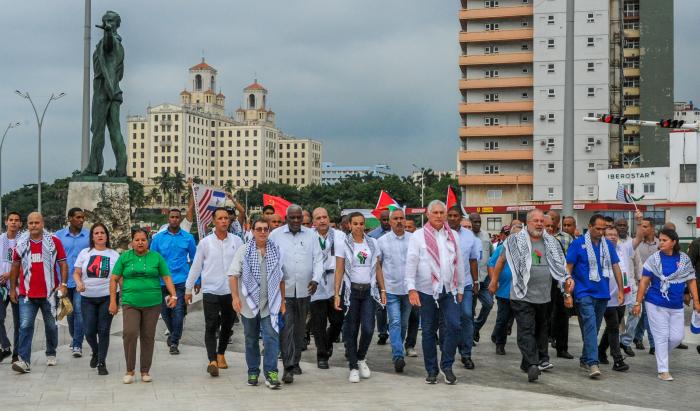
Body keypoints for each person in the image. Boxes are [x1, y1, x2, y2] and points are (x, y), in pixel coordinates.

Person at [490, 209, 572, 382]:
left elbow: (560, 266)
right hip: (521, 294)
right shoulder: (514, 241)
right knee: (526, 328)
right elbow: (501, 261)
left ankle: (526, 362)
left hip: (544, 295)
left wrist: (566, 286)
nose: (539, 224)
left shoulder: (551, 242)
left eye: (542, 221)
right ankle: (534, 364)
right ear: (527, 222)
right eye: (536, 220)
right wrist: (494, 280)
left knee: (540, 329)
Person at [405, 200, 465, 385]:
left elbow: (459, 263)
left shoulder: (453, 235)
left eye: (442, 212)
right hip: (426, 291)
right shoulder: (418, 236)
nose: (439, 216)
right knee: (429, 330)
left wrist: (461, 287)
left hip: (449, 289)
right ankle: (432, 370)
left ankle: (447, 366)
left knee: (454, 326)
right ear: (428, 215)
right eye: (435, 213)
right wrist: (411, 288)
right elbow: (411, 263)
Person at [109, 228, 178, 384]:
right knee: (130, 333)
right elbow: (114, 279)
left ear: (148, 242)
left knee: (148, 336)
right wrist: (113, 301)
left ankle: (145, 370)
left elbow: (166, 277)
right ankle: (129, 370)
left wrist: (173, 295)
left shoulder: (156, 257)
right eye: (137, 240)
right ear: (132, 242)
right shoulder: (124, 257)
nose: (140, 242)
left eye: (143, 240)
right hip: (130, 302)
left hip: (152, 303)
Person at [632, 228, 700, 381]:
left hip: (676, 305)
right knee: (661, 336)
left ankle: (660, 353)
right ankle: (663, 370)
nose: (661, 243)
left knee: (677, 337)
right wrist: (637, 302)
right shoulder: (654, 259)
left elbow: (691, 280)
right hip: (655, 303)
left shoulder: (683, 259)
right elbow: (644, 281)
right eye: (660, 240)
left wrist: (696, 300)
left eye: (664, 240)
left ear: (673, 242)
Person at [185, 208, 243, 377]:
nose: (224, 221)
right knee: (211, 325)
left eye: (226, 218)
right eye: (220, 218)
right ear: (213, 220)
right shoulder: (205, 242)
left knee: (227, 325)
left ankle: (221, 353)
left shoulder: (237, 241)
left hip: (230, 291)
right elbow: (196, 266)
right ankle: (212, 360)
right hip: (210, 290)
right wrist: (188, 289)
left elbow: (242, 266)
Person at [268, 204, 323, 384]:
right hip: (284, 292)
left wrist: (316, 279)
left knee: (300, 330)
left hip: (305, 290)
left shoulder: (311, 235)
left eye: (299, 217)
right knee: (287, 329)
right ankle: (288, 367)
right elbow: (269, 260)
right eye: (293, 218)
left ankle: (295, 361)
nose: (296, 221)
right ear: (287, 218)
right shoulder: (275, 235)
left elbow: (318, 259)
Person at [229, 217, 286, 389]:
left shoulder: (276, 250)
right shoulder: (244, 250)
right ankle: (253, 371)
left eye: (265, 229)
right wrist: (235, 297)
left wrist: (282, 301)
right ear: (252, 231)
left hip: (270, 303)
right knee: (251, 339)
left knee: (271, 338)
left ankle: (271, 373)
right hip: (248, 305)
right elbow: (233, 275)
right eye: (259, 229)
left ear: (269, 231)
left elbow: (282, 278)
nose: (262, 232)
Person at [566, 214, 625, 379]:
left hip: (602, 293)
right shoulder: (578, 244)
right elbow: (568, 269)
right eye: (598, 229)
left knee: (594, 327)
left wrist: (620, 290)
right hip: (583, 293)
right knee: (591, 326)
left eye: (603, 229)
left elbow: (615, 267)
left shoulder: (607, 245)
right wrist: (567, 292)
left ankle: (585, 358)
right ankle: (593, 362)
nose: (601, 232)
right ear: (590, 227)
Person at [9, 212, 68, 373]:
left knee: (51, 326)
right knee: (25, 326)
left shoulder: (54, 241)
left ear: (42, 224)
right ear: (27, 225)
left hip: (49, 294)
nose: (33, 225)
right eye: (30, 223)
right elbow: (15, 266)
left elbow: (63, 264)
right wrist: (13, 288)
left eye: (36, 223)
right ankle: (24, 361)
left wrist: (63, 284)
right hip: (27, 294)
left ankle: (51, 352)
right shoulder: (21, 243)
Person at [333, 212, 387, 383]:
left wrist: (383, 289)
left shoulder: (372, 243)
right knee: (351, 329)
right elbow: (339, 269)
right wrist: (336, 293)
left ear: (365, 225)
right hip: (351, 292)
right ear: (349, 225)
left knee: (369, 328)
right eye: (355, 223)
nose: (358, 226)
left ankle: (361, 357)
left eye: (361, 223)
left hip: (369, 291)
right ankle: (353, 366)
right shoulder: (343, 244)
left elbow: (377, 268)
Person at [72, 223, 120, 375]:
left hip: (108, 296)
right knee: (89, 331)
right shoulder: (85, 253)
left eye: (102, 233)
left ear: (107, 236)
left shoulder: (114, 255)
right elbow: (76, 273)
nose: (99, 235)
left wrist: (124, 297)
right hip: (88, 298)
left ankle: (101, 362)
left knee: (104, 330)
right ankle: (95, 351)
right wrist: (79, 283)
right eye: (96, 233)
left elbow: (119, 278)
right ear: (92, 236)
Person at [150, 208, 197, 355]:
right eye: (172, 217)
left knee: (178, 313)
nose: (175, 219)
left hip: (181, 282)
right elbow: (152, 260)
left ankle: (175, 342)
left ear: (180, 218)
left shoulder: (188, 238)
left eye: (177, 217)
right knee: (165, 313)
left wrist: (197, 280)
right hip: (162, 283)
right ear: (168, 218)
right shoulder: (158, 238)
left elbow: (195, 260)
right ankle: (173, 333)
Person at [377, 209, 413, 372]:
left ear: (405, 221)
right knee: (395, 321)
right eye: (395, 219)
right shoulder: (382, 241)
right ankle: (398, 356)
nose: (399, 221)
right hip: (391, 289)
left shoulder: (413, 240)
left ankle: (399, 346)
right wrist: (382, 288)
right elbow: (378, 265)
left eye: (402, 218)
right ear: (390, 222)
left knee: (403, 323)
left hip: (408, 290)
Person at [309, 207, 346, 369]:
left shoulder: (340, 236)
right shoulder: (309, 237)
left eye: (325, 217)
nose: (322, 220)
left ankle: (328, 342)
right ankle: (322, 355)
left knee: (338, 320)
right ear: (313, 222)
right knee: (318, 323)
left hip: (335, 281)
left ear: (329, 219)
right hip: (316, 282)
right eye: (318, 218)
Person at [447, 206, 480, 370]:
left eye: (455, 216)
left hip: (465, 283)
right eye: (450, 215)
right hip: (447, 285)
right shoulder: (441, 234)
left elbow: (473, 260)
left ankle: (466, 354)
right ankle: (449, 352)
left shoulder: (469, 236)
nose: (452, 218)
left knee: (467, 315)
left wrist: (476, 281)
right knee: (452, 320)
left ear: (460, 218)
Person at [56, 207, 90, 358]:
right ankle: (74, 337)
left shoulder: (89, 236)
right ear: (69, 218)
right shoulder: (58, 236)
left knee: (78, 310)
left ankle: (77, 344)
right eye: (78, 217)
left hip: (81, 281)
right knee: (69, 312)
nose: (81, 220)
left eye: (83, 217)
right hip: (64, 281)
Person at [596, 227, 631, 372]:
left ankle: (600, 351)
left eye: (615, 235)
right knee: (613, 326)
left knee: (613, 327)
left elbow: (639, 238)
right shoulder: (599, 251)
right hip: (607, 296)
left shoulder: (622, 249)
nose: (612, 237)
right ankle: (617, 359)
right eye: (609, 235)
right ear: (603, 237)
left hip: (622, 295)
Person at [487, 220, 522, 355]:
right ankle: (500, 344)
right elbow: (491, 264)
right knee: (502, 319)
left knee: (515, 320)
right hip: (504, 291)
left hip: (520, 292)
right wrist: (494, 281)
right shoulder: (502, 248)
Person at [545, 210, 574, 359]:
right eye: (547, 225)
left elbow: (566, 262)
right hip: (543, 284)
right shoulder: (535, 240)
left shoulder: (561, 240)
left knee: (563, 315)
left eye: (552, 224)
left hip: (559, 282)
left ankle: (562, 348)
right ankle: (542, 351)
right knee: (544, 316)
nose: (550, 228)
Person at [615, 217, 642, 357]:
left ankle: (625, 342)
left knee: (636, 312)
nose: (621, 228)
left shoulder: (632, 244)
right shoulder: (611, 242)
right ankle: (616, 342)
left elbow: (638, 264)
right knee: (618, 317)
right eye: (618, 225)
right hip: (615, 286)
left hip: (631, 285)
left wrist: (641, 281)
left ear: (627, 227)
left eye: (624, 225)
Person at [631, 212, 658, 354]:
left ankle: (647, 341)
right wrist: (638, 220)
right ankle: (640, 338)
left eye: (645, 226)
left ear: (652, 228)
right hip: (638, 284)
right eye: (641, 226)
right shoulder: (636, 244)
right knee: (643, 313)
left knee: (647, 313)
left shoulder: (660, 244)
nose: (642, 229)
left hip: (654, 286)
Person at [0, 211, 22, 363]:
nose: (13, 222)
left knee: (19, 323)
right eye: (11, 220)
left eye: (17, 220)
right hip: (1, 286)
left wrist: (10, 274)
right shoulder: (0, 239)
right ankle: (6, 346)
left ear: (20, 224)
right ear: (6, 222)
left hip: (18, 287)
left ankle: (16, 354)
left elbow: (27, 264)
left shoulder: (23, 241)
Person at [469, 212, 493, 344]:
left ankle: (475, 328)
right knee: (470, 310)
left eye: (479, 222)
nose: (477, 224)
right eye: (474, 222)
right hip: (471, 280)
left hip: (485, 279)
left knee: (489, 304)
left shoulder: (485, 235)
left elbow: (492, 255)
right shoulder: (466, 235)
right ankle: (469, 336)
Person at [368, 209, 390, 345]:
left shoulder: (399, 234)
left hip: (394, 277)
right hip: (378, 276)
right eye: (384, 220)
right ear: (380, 220)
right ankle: (382, 332)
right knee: (381, 306)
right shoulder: (372, 236)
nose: (386, 222)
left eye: (388, 219)